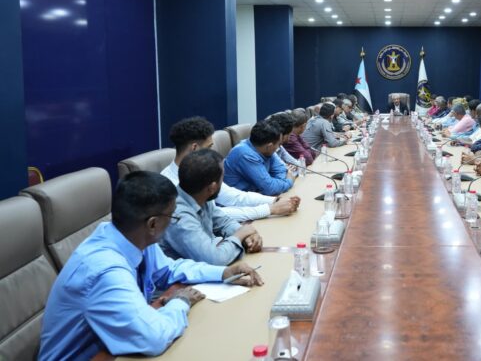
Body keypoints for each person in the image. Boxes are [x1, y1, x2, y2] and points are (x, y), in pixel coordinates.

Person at [38, 172, 262, 360]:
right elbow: (153, 338)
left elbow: (170, 270)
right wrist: (180, 302)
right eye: (172, 217)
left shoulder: (133, 237)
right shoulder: (104, 271)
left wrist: (223, 272)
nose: (172, 222)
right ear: (153, 224)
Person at [161, 117, 299, 221]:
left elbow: (234, 197)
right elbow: (214, 215)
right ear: (195, 148)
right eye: (209, 147)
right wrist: (269, 209)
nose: (212, 152)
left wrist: (274, 201)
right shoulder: (170, 185)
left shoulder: (201, 171)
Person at [161, 149, 263, 265]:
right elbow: (215, 259)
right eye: (222, 177)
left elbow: (223, 222)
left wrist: (247, 237)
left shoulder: (200, 195)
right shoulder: (178, 215)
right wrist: (239, 236)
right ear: (212, 188)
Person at [224, 120, 296, 195]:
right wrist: (289, 181)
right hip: (239, 199)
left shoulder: (265, 148)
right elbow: (270, 188)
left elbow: (282, 170)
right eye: (278, 144)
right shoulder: (245, 154)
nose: (278, 148)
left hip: (257, 194)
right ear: (269, 146)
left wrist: (279, 183)